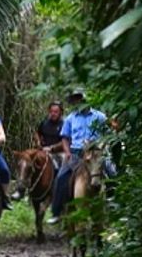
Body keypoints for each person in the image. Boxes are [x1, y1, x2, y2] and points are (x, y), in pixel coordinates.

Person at [46, 89, 107, 224]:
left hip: (96, 152)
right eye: (75, 100)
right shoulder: (70, 118)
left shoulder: (100, 117)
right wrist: (67, 153)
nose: (78, 102)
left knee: (111, 171)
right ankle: (57, 212)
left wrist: (102, 147)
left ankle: (114, 204)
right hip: (76, 153)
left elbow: (108, 134)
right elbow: (65, 138)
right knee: (61, 177)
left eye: (80, 99)